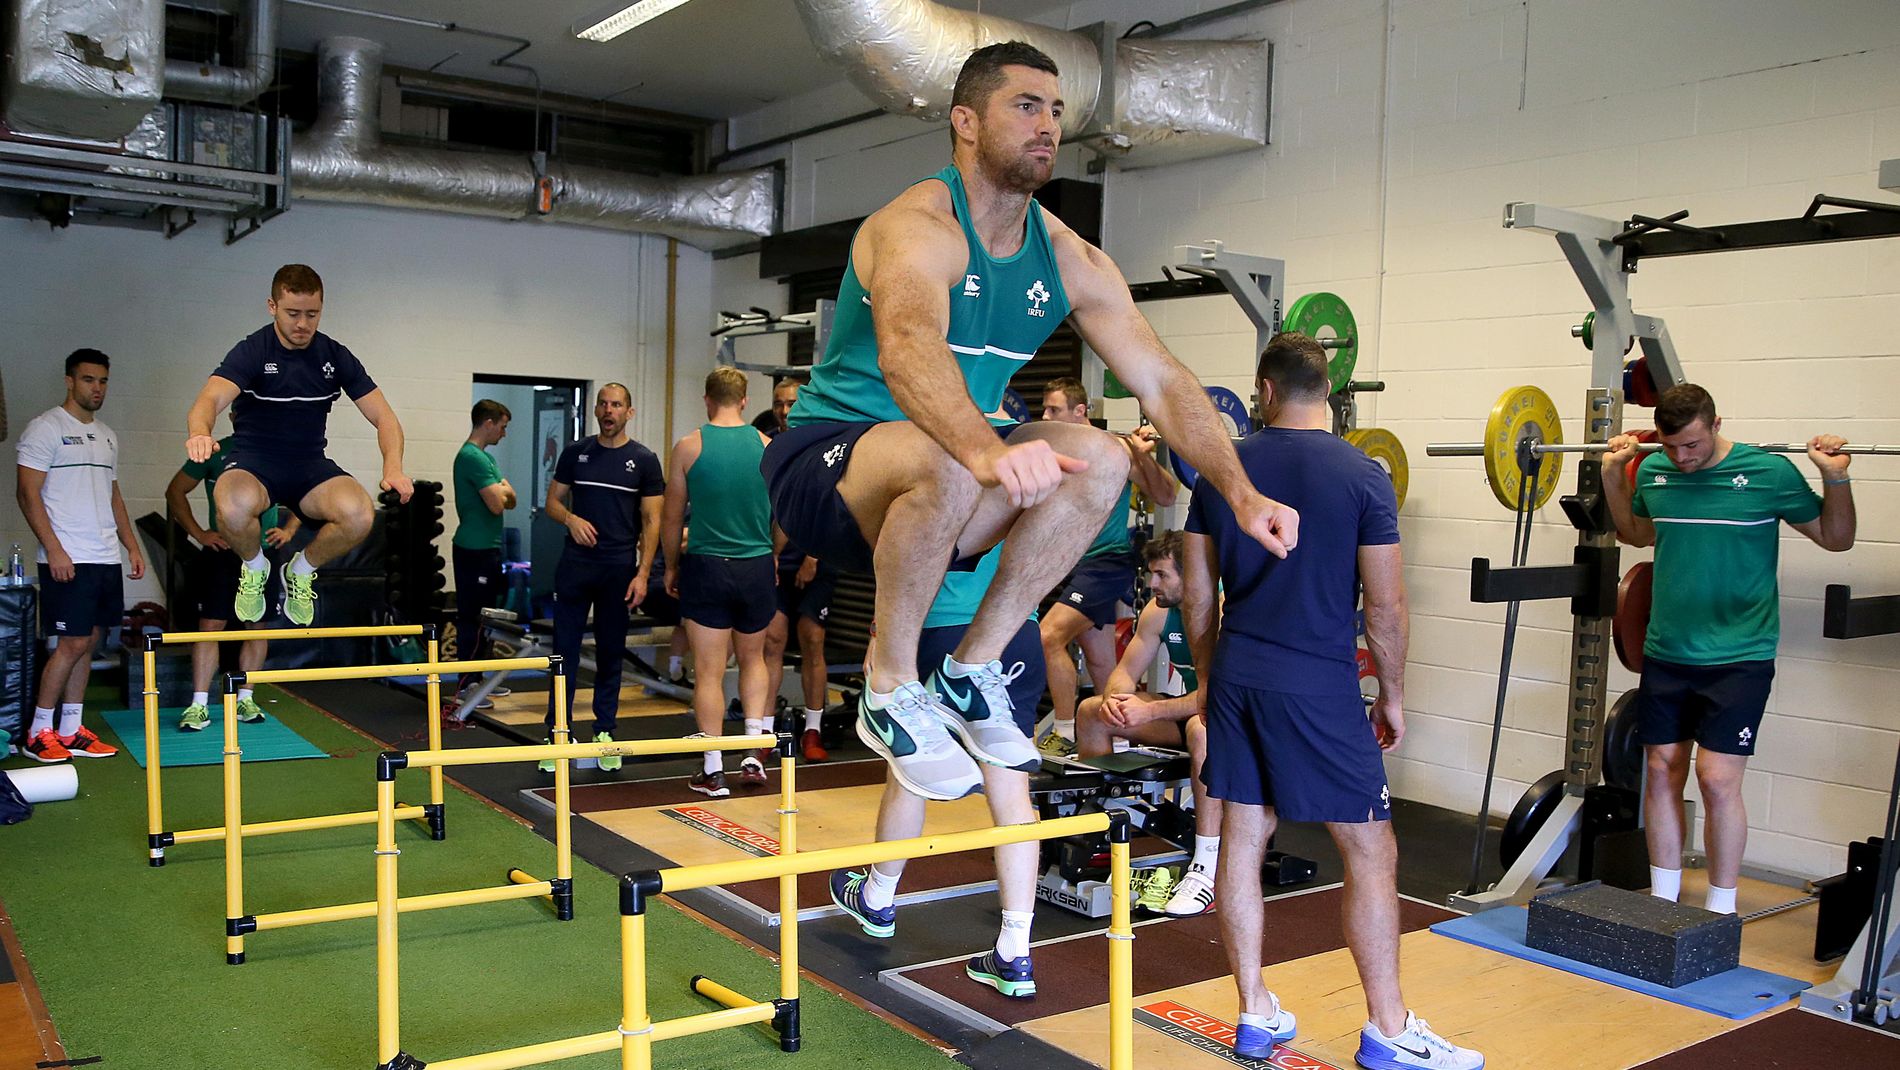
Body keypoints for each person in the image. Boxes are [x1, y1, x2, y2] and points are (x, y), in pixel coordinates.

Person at [762, 41, 1297, 804]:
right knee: (944, 455)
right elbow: (908, 348)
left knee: (1104, 460)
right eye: (1024, 106)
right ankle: (889, 686)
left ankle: (971, 668)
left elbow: (1165, 381)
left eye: (1054, 111)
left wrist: (1240, 491)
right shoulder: (917, 225)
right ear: (966, 122)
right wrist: (983, 450)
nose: (1047, 125)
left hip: (946, 482)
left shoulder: (1068, 255)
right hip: (827, 470)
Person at [1186, 332, 1480, 1069]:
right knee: (1371, 850)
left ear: (1265, 389)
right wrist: (1394, 693)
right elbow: (1385, 607)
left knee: (1244, 838)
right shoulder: (1364, 476)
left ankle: (1255, 1011)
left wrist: (1209, 674)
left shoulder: (1221, 472)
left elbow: (1197, 593)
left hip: (1239, 675)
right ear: (1329, 393)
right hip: (1316, 683)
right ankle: (1387, 1028)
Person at [1604, 383, 1853, 916]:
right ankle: (1663, 899)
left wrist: (1836, 478)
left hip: (1740, 655)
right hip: (1668, 650)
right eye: (1671, 447)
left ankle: (1720, 909)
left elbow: (1837, 539)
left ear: (1717, 426)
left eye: (1692, 445)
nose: (1682, 457)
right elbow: (1636, 534)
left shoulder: (1769, 474)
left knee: (1716, 780)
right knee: (1661, 768)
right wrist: (1611, 477)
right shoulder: (1654, 470)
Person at [829, 539, 1048, 997]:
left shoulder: (941, 469)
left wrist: (878, 634)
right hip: (1017, 630)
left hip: (942, 627)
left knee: (907, 774)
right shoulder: (1033, 472)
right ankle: (1015, 952)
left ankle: (877, 897)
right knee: (1013, 795)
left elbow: (902, 555)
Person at [184, 264, 413, 627]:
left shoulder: (334, 356)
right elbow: (208, 401)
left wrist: (393, 467)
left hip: (309, 466)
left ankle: (301, 569)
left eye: (312, 314)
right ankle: (255, 567)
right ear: (272, 306)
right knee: (230, 505)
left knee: (359, 514)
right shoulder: (253, 351)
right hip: (253, 462)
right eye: (293, 313)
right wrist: (200, 432)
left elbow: (385, 417)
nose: (303, 324)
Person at [1072, 531, 1218, 917]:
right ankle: (1105, 831)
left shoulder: (1223, 611)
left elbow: (1215, 696)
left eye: (1162, 575)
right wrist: (1118, 702)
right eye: (1151, 574)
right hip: (1186, 714)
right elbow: (1125, 672)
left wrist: (1149, 712)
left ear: (1193, 577)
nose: (1152, 584)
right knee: (1091, 712)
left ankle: (1205, 867)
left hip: (1229, 721)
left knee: (1199, 729)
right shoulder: (1159, 611)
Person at [1035, 376, 1175, 757]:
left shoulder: (1113, 450)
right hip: (1076, 564)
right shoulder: (1052, 449)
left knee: (1047, 638)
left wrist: (1140, 454)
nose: (1045, 416)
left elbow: (1166, 495)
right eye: (1045, 409)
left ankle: (1064, 732)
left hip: (1106, 563)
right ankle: (1122, 737)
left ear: (1080, 412)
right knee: (1100, 660)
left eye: (1054, 409)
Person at [14, 349, 138, 762]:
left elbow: (113, 495)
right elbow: (26, 493)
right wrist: (54, 548)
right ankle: (38, 732)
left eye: (102, 381)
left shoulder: (106, 434)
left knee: (93, 640)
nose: (97, 388)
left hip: (104, 555)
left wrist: (131, 546)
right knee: (71, 643)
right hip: (67, 555)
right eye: (88, 380)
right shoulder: (45, 429)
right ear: (70, 381)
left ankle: (70, 730)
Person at [540, 383, 665, 774]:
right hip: (575, 567)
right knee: (564, 653)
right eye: (603, 404)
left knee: (611, 653)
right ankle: (557, 733)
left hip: (618, 569)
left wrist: (644, 574)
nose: (608, 410)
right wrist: (571, 519)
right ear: (595, 410)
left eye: (617, 405)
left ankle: (604, 733)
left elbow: (652, 520)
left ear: (629, 412)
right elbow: (552, 502)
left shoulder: (644, 460)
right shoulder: (576, 454)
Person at [662, 369, 777, 795]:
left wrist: (671, 565)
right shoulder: (768, 447)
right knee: (754, 660)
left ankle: (713, 770)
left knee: (709, 673)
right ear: (745, 401)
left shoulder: (689, 447)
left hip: (708, 566)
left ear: (707, 399)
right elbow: (782, 518)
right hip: (757, 567)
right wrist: (773, 556)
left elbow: (672, 517)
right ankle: (751, 751)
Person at [164, 436, 301, 730]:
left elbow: (305, 493)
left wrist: (289, 530)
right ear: (233, 411)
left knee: (257, 626)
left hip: (264, 550)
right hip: (223, 551)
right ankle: (199, 704)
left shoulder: (278, 450)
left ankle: (245, 699)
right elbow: (175, 491)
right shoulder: (215, 452)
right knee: (210, 626)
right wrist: (199, 533)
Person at [761, 378, 835, 763]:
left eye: (791, 402)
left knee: (812, 639)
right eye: (778, 403)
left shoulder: (822, 442)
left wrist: (813, 556)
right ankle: (764, 730)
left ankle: (812, 730)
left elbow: (830, 503)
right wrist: (769, 556)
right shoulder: (770, 443)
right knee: (773, 639)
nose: (784, 410)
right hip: (776, 558)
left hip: (815, 556)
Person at [453, 399, 518, 701]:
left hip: (488, 550)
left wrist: (504, 491)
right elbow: (496, 504)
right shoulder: (471, 458)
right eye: (502, 426)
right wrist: (502, 490)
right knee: (473, 617)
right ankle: (468, 683)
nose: (504, 433)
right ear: (488, 423)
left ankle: (482, 680)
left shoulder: (486, 459)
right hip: (473, 549)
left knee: (488, 617)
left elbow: (511, 498)